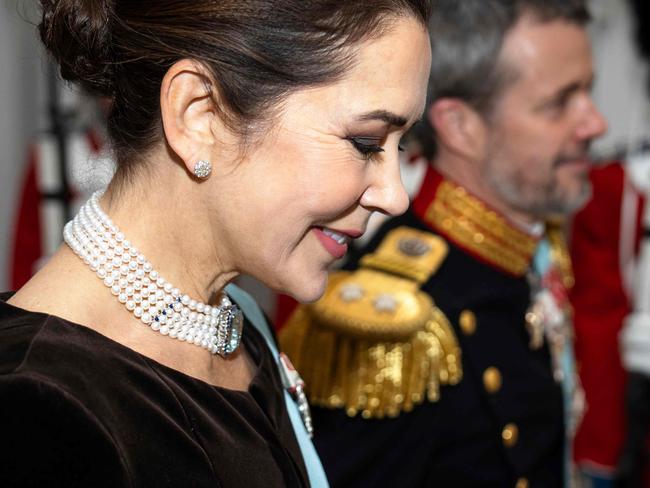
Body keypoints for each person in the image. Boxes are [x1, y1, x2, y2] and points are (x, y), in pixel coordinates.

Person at [0, 1, 433, 486]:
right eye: (366, 142)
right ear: (199, 115)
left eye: (402, 145)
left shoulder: (238, 325)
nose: (395, 197)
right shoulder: (37, 411)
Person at [280, 0, 607, 486]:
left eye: (587, 92)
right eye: (559, 102)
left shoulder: (534, 248)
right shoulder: (396, 328)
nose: (595, 124)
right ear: (460, 126)